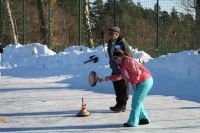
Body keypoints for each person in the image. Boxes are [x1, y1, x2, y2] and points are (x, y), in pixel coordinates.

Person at [99, 50, 153, 127]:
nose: (115, 60)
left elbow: (135, 72)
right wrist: (104, 79)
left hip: (145, 81)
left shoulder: (128, 60)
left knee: (136, 101)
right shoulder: (122, 64)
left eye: (116, 57)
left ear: (121, 57)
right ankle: (144, 119)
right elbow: (119, 77)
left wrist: (134, 82)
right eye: (114, 58)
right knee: (138, 101)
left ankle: (132, 122)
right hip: (142, 81)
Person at [107, 27, 133, 112]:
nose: (110, 35)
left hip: (122, 68)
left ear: (117, 34)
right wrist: (111, 62)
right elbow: (110, 52)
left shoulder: (122, 42)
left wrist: (123, 63)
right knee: (116, 86)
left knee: (123, 86)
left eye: (112, 34)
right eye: (109, 33)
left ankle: (123, 105)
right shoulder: (110, 42)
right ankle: (118, 104)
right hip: (114, 67)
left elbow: (129, 55)